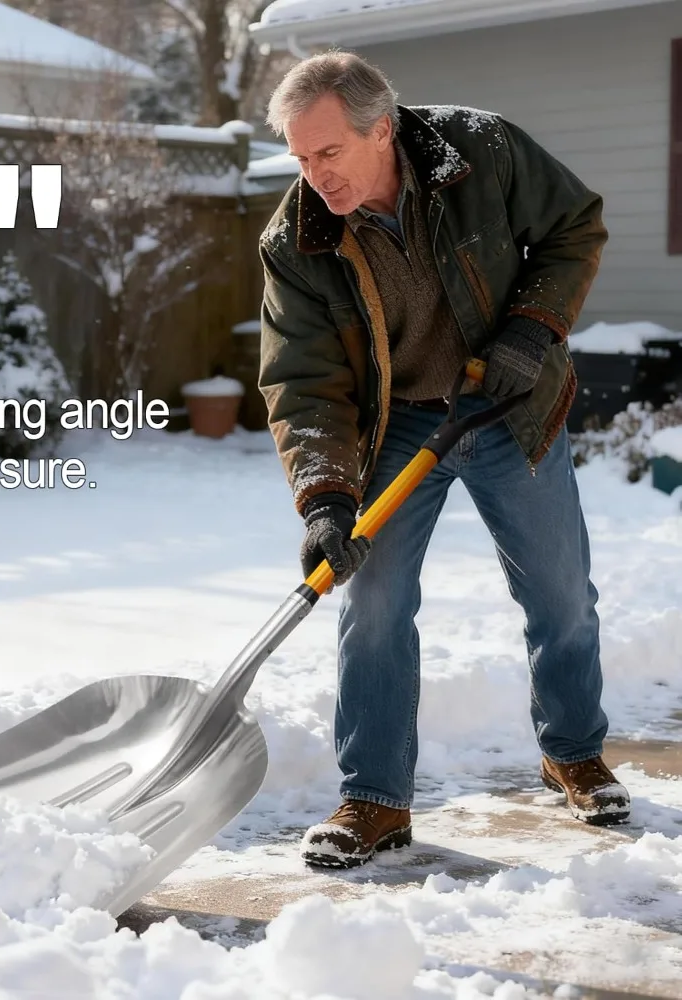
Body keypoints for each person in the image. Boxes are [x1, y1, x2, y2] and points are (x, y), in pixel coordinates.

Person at [257, 51, 631, 870]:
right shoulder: (299, 238)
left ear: (381, 129)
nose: (314, 176)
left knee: (560, 591)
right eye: (299, 157)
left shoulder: (481, 153)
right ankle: (376, 800)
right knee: (376, 603)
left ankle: (573, 751)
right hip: (396, 426)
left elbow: (574, 226)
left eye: (329, 153)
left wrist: (532, 329)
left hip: (507, 404)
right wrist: (325, 501)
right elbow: (303, 379)